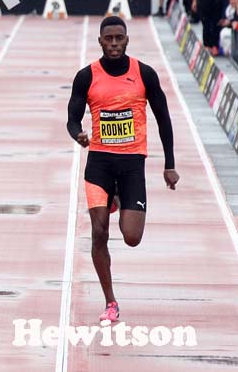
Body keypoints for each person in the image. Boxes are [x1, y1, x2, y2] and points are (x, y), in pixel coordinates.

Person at [66, 16, 179, 323]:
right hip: (99, 163)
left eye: (119, 38)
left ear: (127, 40)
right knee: (99, 232)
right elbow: (72, 117)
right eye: (109, 39)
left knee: (131, 237)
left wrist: (169, 164)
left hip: (131, 165)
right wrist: (77, 134)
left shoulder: (144, 73)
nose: (114, 44)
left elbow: (164, 119)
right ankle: (110, 301)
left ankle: (117, 199)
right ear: (100, 41)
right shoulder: (86, 76)